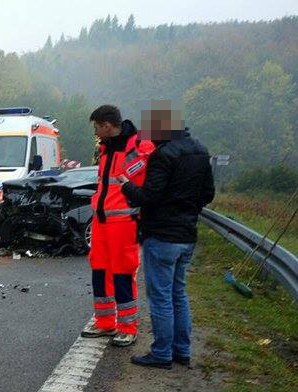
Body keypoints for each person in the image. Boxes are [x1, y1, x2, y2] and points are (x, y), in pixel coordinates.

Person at [118, 102, 215, 368]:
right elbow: (208, 194)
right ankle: (182, 350)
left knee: (161, 297)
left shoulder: (163, 155)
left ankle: (162, 353)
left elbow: (149, 196)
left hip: (161, 234)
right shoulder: (201, 150)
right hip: (187, 234)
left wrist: (126, 186)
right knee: (178, 294)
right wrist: (187, 208)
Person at [81, 105, 155, 347]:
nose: (95, 133)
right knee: (100, 270)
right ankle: (105, 323)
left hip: (124, 221)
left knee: (123, 272)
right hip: (102, 220)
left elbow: (149, 183)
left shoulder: (138, 147)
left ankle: (127, 327)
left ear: (107, 126)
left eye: (96, 128)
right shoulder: (107, 148)